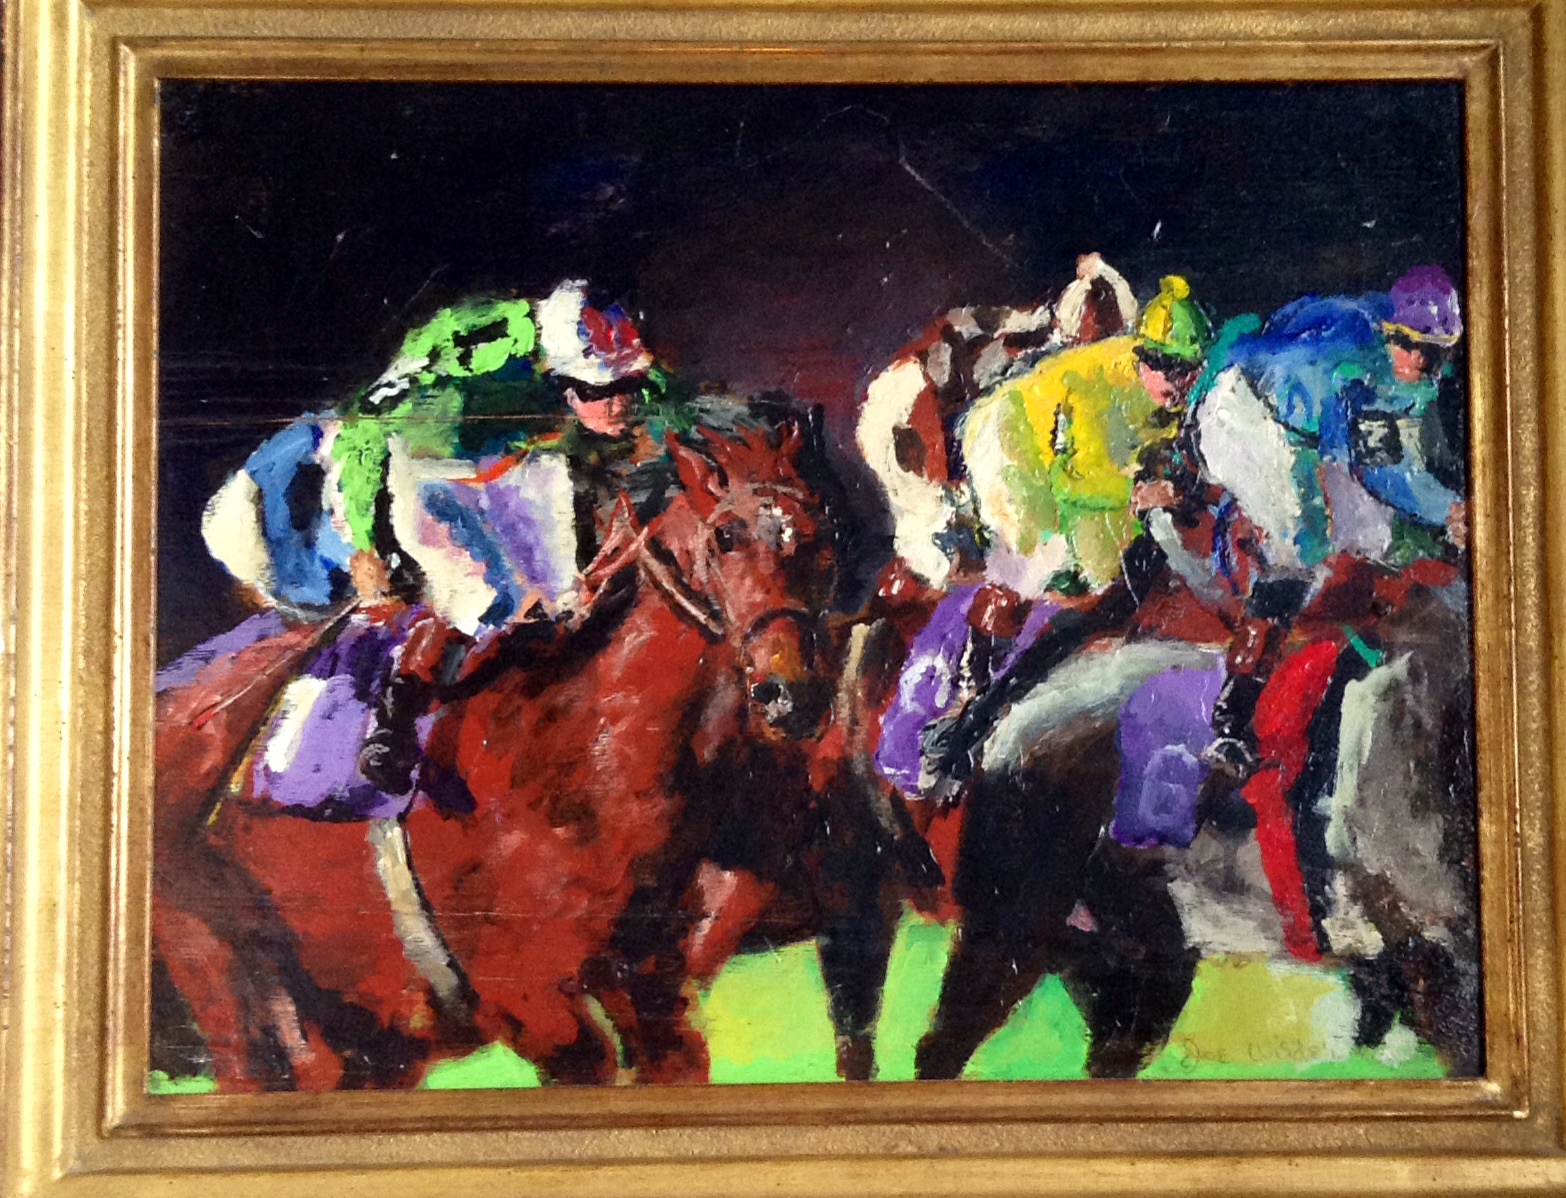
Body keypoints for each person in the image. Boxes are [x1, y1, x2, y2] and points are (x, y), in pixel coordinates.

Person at [203, 280, 705, 798]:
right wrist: (367, 545)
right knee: (490, 594)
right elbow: (365, 430)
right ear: (560, 376)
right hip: (410, 458)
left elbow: (671, 400)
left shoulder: (598, 341)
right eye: (601, 392)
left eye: (628, 387)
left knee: (565, 596)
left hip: (507, 457)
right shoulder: (469, 360)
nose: (621, 406)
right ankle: (391, 726)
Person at [895, 274, 1216, 793]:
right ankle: (968, 711)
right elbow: (1075, 481)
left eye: (1186, 368)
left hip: (1071, 448)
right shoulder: (1095, 389)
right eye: (1163, 364)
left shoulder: (1169, 392)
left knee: (1114, 545)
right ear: (1141, 355)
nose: (1175, 380)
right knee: (1054, 564)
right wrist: (1139, 491)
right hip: (1011, 442)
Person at [1184, 264, 1467, 778]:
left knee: (1375, 533)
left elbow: (1289, 318)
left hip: (1300, 428)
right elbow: (1376, 468)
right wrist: (1449, 510)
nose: (1419, 363)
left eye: (1434, 353)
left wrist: (1445, 508)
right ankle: (1232, 718)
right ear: (1389, 332)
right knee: (1301, 544)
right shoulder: (1355, 362)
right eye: (1410, 346)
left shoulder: (1385, 344)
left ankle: (1352, 643)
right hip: (1242, 415)